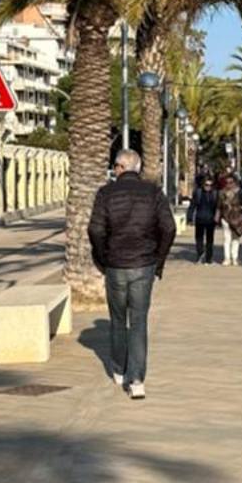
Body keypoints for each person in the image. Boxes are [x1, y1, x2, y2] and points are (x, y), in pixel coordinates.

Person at [88, 147, 176, 398]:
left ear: (119, 168)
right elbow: (168, 228)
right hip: (143, 265)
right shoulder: (153, 192)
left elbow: (95, 230)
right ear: (137, 168)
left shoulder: (106, 193)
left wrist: (103, 258)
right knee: (138, 322)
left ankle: (118, 370)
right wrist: (158, 260)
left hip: (115, 265)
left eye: (115, 167)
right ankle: (137, 381)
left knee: (117, 319)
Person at [217, 174, 242, 267]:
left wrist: (238, 209)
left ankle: (235, 258)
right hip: (225, 218)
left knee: (236, 239)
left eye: (231, 182)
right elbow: (218, 206)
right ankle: (227, 258)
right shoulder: (222, 193)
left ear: (235, 183)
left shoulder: (240, 192)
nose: (229, 184)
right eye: (227, 183)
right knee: (227, 238)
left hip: (237, 219)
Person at [187, 172, 219, 264]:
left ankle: (209, 258)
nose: (208, 187)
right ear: (203, 184)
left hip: (210, 220)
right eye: (206, 184)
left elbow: (218, 207)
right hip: (200, 218)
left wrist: (218, 219)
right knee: (199, 239)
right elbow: (192, 205)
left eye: (210, 185)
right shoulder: (198, 192)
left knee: (210, 239)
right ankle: (200, 254)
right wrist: (189, 217)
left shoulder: (215, 194)